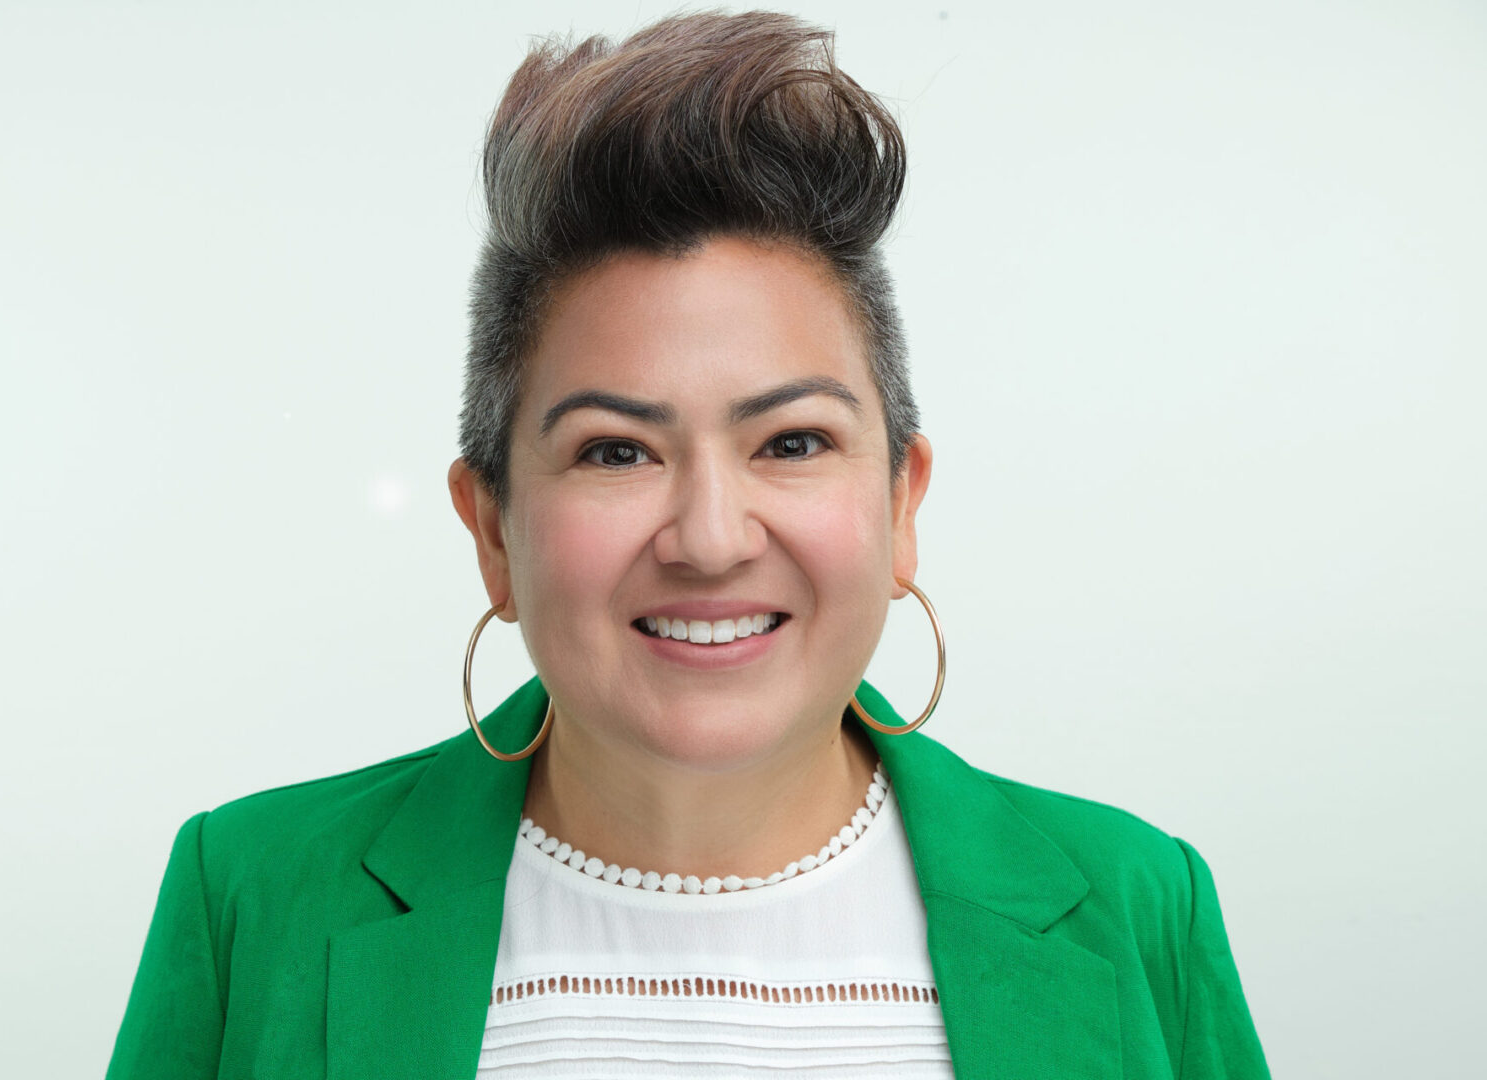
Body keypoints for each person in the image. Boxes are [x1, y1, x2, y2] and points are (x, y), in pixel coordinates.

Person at [107, 9, 1270, 1078]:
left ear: (903, 501)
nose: (712, 540)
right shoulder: (252, 898)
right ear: (492, 530)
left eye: (793, 441)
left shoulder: (1134, 905)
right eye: (616, 452)